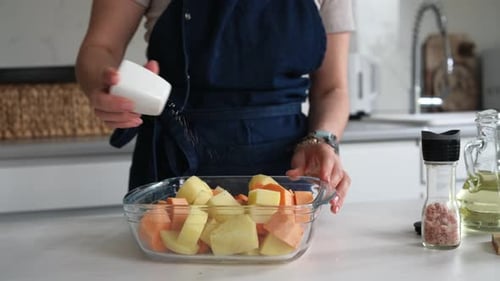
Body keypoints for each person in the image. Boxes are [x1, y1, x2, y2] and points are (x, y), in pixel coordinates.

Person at [76, 0, 354, 214]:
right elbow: (100, 48)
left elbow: (332, 89)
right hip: (174, 167)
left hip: (286, 176)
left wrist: (322, 138)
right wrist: (105, 82)